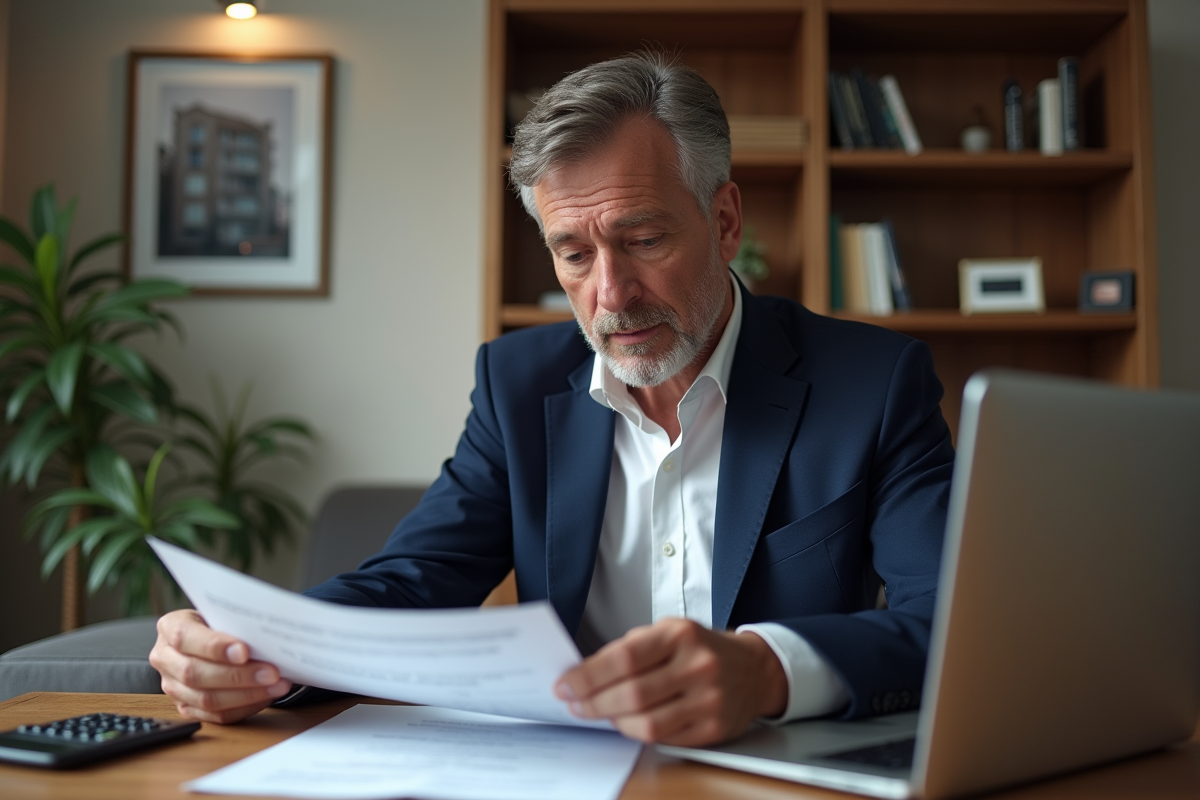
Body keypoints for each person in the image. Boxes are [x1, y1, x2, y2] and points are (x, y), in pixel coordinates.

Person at [150, 53, 954, 747]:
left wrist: (768, 670)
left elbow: (948, 623)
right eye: (574, 253)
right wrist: (255, 649)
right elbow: (414, 580)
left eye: (644, 240)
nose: (611, 295)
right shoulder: (518, 384)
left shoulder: (874, 383)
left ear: (724, 221)